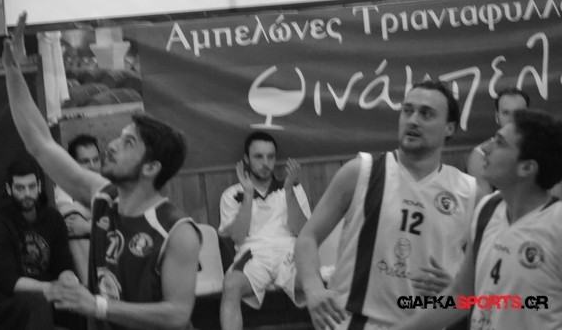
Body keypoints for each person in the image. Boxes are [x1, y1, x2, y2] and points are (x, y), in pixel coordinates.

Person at [2, 12, 201, 330]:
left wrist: (98, 306)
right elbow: (39, 142)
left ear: (151, 167)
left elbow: (177, 315)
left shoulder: (177, 232)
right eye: (119, 137)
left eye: (128, 143)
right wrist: (12, 72)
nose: (112, 146)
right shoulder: (102, 196)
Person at [294, 80, 479, 330]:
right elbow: (307, 236)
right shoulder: (361, 172)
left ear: (449, 127)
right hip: (353, 323)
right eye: (408, 110)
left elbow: (485, 278)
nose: (413, 120)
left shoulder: (468, 191)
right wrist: (314, 288)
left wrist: (458, 288)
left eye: (426, 114)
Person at [389, 109, 562, 330]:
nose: (485, 149)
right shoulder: (487, 208)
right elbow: (460, 297)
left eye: (499, 143)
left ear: (526, 167)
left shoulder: (556, 224)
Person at [218, 131, 310, 330]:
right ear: (246, 159)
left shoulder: (293, 188)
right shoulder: (231, 194)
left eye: (270, 156)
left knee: (314, 281)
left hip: (289, 253)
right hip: (252, 255)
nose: (265, 163)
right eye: (258, 156)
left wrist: (288, 192)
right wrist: (248, 195)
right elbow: (237, 237)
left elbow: (303, 231)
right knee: (230, 285)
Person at [0, 157, 81, 330]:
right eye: (20, 188)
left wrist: (68, 280)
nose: (27, 193)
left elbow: (63, 263)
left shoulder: (53, 218)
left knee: (84, 298)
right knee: (37, 302)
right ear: (9, 189)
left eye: (32, 186)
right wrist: (53, 288)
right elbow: (9, 281)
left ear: (40, 187)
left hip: (49, 294)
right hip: (8, 302)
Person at [55, 134, 101, 285]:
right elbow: (71, 223)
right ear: (72, 164)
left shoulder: (111, 184)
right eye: (85, 161)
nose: (93, 166)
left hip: (114, 245)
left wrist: (87, 226)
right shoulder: (64, 187)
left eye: (96, 160)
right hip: (85, 251)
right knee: (72, 217)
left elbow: (123, 222)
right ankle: (92, 288)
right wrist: (98, 216)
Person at [465, 87, 529, 195]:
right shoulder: (481, 156)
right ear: (497, 117)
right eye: (506, 113)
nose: (512, 119)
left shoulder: (545, 150)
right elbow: (485, 203)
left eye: (518, 113)